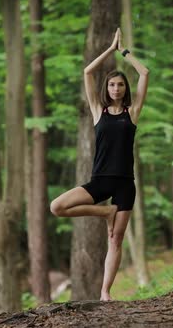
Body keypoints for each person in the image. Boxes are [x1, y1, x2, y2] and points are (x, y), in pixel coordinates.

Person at [50, 27, 149, 301]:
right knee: (56, 207)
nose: (116, 88)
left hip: (125, 184)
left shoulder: (133, 112)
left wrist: (124, 52)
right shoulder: (98, 110)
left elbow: (145, 73)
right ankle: (104, 212)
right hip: (101, 180)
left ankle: (105, 292)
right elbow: (87, 73)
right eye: (112, 85)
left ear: (125, 89)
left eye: (120, 85)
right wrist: (110, 47)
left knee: (115, 240)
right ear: (107, 89)